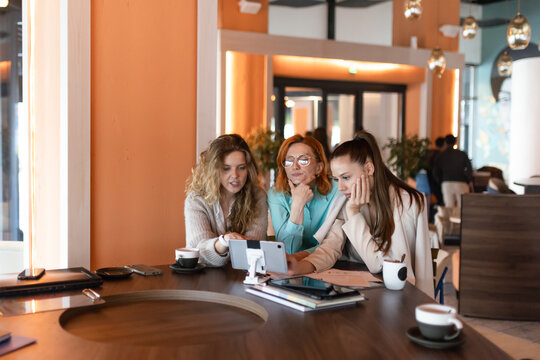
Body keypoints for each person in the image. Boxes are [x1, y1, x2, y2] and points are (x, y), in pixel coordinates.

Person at [327, 131, 434, 296]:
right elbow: (330, 245)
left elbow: (378, 265)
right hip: (359, 291)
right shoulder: (345, 199)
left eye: (346, 177)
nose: (340, 187)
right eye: (336, 179)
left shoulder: (404, 201)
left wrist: (354, 212)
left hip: (399, 297)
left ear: (369, 168)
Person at [184, 134, 268, 267]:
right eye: (226, 168)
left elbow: (253, 251)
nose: (235, 175)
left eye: (241, 167)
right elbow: (199, 252)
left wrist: (222, 246)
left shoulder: (258, 196)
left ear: (249, 169)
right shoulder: (196, 199)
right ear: (214, 170)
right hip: (201, 279)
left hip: (242, 277)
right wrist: (224, 241)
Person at [267, 134, 346, 275]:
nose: (295, 167)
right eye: (289, 161)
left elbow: (332, 245)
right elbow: (287, 251)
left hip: (330, 268)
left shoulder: (338, 190)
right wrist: (297, 205)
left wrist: (303, 254)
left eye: (303, 160)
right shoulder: (276, 194)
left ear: (319, 167)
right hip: (290, 272)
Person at [433, 134, 473, 208]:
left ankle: (450, 220)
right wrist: (469, 180)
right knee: (462, 208)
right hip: (462, 183)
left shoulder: (441, 155)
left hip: (447, 183)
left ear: (445, 142)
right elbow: (469, 168)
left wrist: (441, 181)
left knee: (449, 207)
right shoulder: (462, 154)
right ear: (455, 142)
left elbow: (435, 171)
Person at [427, 136, 445, 206]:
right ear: (444, 144)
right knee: (440, 202)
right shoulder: (441, 155)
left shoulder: (430, 154)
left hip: (431, 181)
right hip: (438, 182)